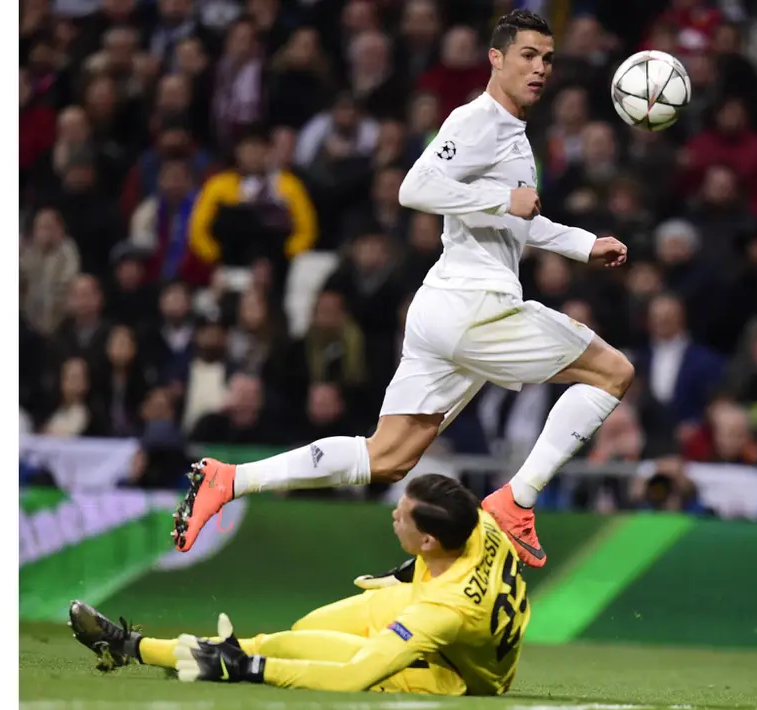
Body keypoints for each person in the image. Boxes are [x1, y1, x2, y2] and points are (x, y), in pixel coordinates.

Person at [171, 10, 633, 569]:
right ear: (496, 58)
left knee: (387, 457)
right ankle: (518, 501)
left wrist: (584, 245)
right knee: (613, 372)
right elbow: (414, 188)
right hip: (475, 306)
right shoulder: (478, 120)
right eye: (528, 56)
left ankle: (231, 478)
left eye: (548, 59)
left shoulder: (511, 132)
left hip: (443, 307)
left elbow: (518, 220)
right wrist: (499, 201)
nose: (540, 69)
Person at [69, 474, 529, 696]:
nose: (393, 514)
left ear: (428, 540)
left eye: (402, 516)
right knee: (308, 626)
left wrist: (252, 670)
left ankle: (130, 647)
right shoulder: (475, 520)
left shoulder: (443, 610)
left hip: (455, 670)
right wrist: (411, 570)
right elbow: (468, 564)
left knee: (279, 647)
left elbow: (354, 677)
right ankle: (198, 657)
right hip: (436, 606)